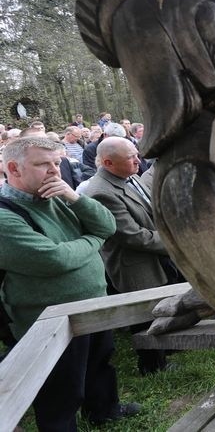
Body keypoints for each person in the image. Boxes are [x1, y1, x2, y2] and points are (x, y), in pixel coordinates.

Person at [0, 137, 140, 428]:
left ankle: (104, 410)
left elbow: (108, 225)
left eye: (57, 163)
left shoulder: (58, 197)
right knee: (61, 383)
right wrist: (92, 240)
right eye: (43, 164)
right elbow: (54, 259)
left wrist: (75, 199)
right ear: (13, 168)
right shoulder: (5, 217)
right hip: (47, 317)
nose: (55, 171)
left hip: (92, 302)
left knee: (100, 362)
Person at [83, 137, 180, 374]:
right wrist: (175, 243)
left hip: (156, 254)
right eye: (131, 157)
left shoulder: (129, 176)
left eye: (137, 154)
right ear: (108, 162)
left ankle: (166, 350)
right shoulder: (100, 192)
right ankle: (151, 365)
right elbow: (132, 236)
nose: (139, 160)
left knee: (162, 302)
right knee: (144, 313)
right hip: (135, 264)